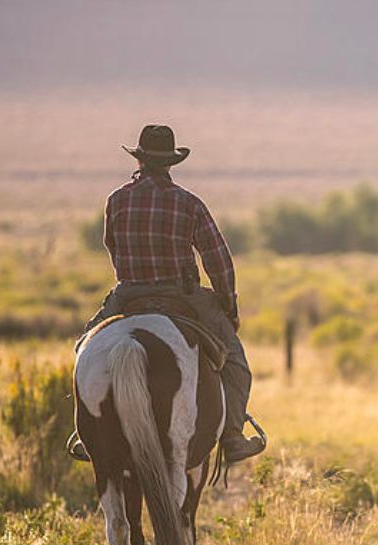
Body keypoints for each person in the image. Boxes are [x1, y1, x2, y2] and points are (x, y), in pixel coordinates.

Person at [69, 124, 262, 463]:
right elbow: (218, 260)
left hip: (128, 294)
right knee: (234, 360)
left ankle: (90, 432)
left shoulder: (116, 201)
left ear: (140, 159)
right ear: (171, 163)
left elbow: (112, 249)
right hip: (181, 294)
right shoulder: (188, 203)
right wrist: (227, 305)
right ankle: (232, 435)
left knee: (85, 348)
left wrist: (134, 277)